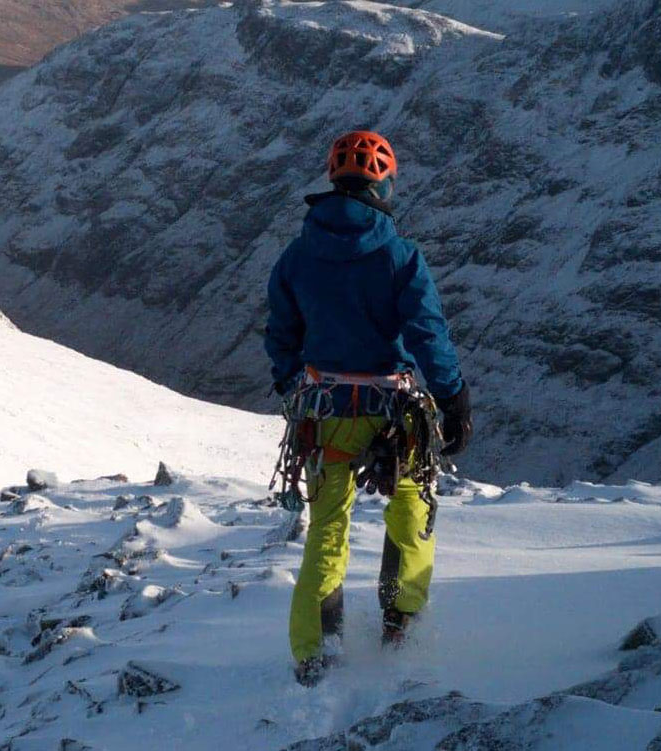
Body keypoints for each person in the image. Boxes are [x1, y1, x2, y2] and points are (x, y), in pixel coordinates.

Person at [264, 130, 473, 687]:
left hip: (326, 412)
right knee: (410, 512)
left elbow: (281, 336)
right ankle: (400, 629)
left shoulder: (296, 256)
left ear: (333, 180)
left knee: (328, 528)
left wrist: (295, 390)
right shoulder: (401, 257)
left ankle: (314, 652)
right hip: (397, 415)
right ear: (384, 183)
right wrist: (453, 399)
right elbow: (428, 333)